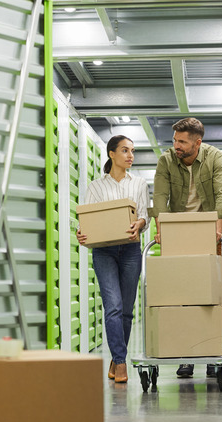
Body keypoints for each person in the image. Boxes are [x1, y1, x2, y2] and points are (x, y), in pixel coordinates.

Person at [151, 117, 222, 378]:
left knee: (210, 298)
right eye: (175, 140)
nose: (176, 145)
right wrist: (160, 228)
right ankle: (186, 355)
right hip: (177, 232)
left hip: (208, 230)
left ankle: (209, 353)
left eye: (182, 141)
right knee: (180, 297)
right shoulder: (166, 161)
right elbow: (160, 196)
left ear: (197, 142)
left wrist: (218, 228)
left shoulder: (215, 157)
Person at [77, 135, 150, 383]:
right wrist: (81, 233)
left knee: (127, 312)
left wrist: (140, 223)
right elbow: (87, 220)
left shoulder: (139, 183)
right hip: (104, 252)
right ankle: (120, 363)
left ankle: (116, 357)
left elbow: (143, 216)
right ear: (111, 154)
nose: (130, 155)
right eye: (125, 150)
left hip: (130, 250)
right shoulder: (96, 187)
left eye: (132, 151)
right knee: (114, 307)